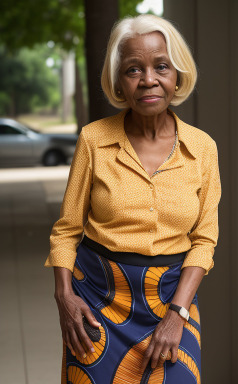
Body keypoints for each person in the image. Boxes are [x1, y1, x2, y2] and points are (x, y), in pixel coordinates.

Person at [44, 13, 221, 384]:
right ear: (119, 83)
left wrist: (177, 314)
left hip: (173, 301)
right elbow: (66, 231)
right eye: (133, 70)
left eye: (161, 66)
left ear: (177, 77)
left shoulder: (202, 148)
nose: (149, 80)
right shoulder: (93, 140)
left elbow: (204, 242)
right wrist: (64, 297)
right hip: (96, 301)